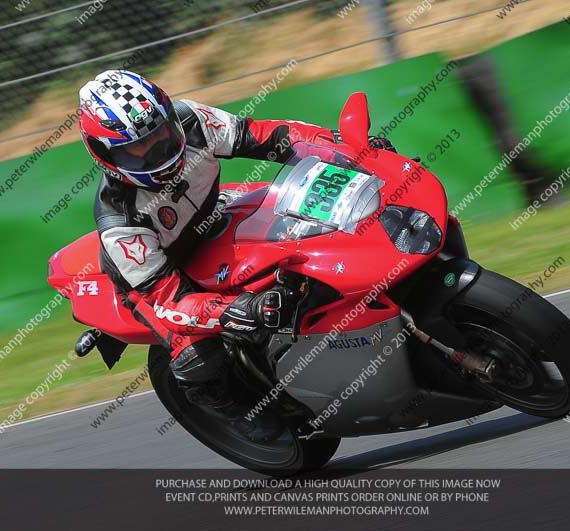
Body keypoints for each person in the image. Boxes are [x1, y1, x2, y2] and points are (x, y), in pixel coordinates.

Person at [78, 70, 393, 442]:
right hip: (160, 277)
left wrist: (341, 147)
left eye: (161, 134)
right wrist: (238, 310)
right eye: (137, 149)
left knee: (313, 217)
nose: (157, 150)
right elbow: (168, 302)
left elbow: (267, 135)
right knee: (194, 351)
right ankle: (234, 411)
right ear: (105, 153)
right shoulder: (122, 221)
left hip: (215, 214)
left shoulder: (191, 121)